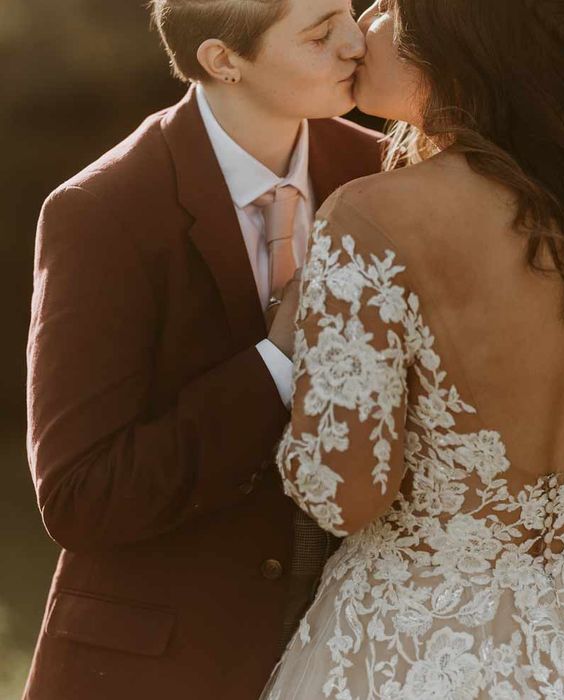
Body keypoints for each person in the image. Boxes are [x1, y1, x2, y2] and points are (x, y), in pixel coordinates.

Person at [259, 0, 564, 698]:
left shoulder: (372, 215)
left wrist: (290, 336)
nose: (363, 21)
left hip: (420, 641)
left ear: (451, 39)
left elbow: (342, 496)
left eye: (389, 6)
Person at [24, 1, 383, 698]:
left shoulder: (384, 175)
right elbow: (81, 497)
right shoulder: (103, 210)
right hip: (165, 662)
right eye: (319, 33)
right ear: (224, 61)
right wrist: (277, 361)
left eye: (351, 10)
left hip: (354, 648)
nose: (355, 43)